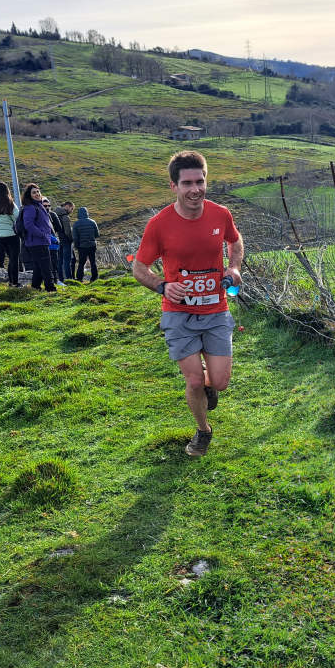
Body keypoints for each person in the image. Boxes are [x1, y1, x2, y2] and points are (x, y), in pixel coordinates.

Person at [132, 151, 243, 457]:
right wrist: (163, 286)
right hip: (178, 314)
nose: (196, 188)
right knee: (194, 380)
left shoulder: (221, 214)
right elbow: (139, 267)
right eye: (188, 183)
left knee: (219, 383)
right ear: (174, 186)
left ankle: (209, 383)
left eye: (201, 181)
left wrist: (234, 268)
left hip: (216, 310)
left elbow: (235, 241)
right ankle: (203, 431)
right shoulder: (159, 225)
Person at [18, 184, 56, 291]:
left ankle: (35, 286)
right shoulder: (30, 207)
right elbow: (28, 225)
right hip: (37, 241)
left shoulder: (38, 206)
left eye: (38, 192)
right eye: (34, 192)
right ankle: (50, 288)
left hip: (39, 241)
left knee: (38, 267)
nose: (37, 194)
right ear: (29, 195)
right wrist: (42, 234)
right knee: (46, 266)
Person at [0, 182, 21, 287]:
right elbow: (18, 216)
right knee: (14, 259)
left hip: (0, 236)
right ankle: (14, 282)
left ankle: (11, 281)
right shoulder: (9, 202)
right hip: (11, 234)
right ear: (7, 191)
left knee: (10, 258)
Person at [71, 205, 99, 282]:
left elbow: (75, 237)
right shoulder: (92, 222)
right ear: (87, 213)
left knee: (81, 263)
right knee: (93, 262)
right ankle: (94, 278)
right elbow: (97, 234)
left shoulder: (76, 224)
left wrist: (77, 246)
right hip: (92, 245)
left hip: (82, 246)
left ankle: (79, 278)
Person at [54, 201, 75, 283]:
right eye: (72, 208)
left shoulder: (55, 214)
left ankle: (61, 278)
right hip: (66, 241)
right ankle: (69, 278)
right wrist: (72, 239)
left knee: (60, 261)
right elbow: (67, 231)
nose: (71, 211)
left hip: (58, 240)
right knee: (67, 261)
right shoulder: (65, 217)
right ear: (67, 206)